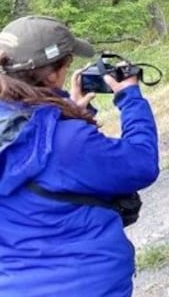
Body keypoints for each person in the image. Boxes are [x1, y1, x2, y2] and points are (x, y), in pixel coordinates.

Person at [0, 15, 159, 296]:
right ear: (52, 74)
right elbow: (141, 163)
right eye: (67, 63)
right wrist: (130, 97)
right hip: (86, 283)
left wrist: (68, 109)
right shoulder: (67, 140)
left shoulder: (18, 126)